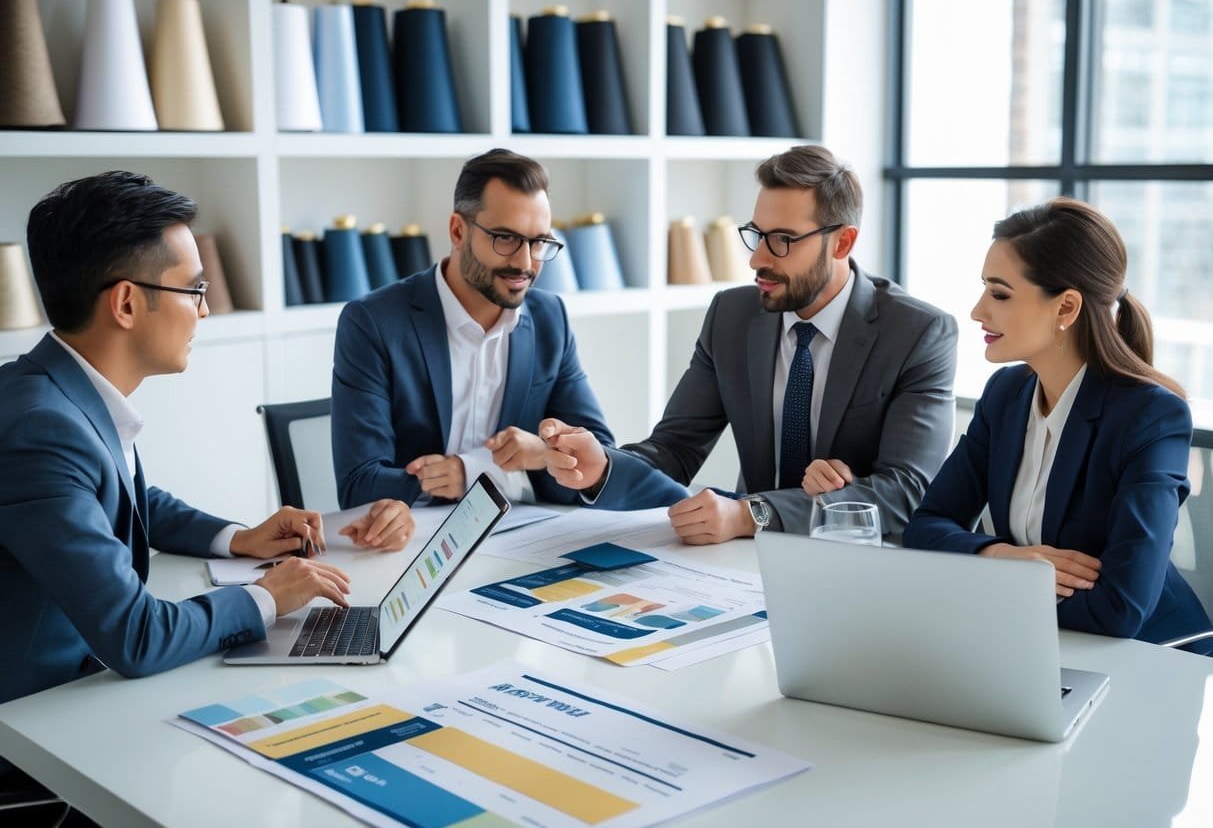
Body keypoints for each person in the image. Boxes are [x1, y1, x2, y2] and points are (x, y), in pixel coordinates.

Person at [0, 171, 415, 707]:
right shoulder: (43, 430)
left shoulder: (45, 389)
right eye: (194, 289)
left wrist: (238, 539)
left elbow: (123, 496)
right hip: (36, 726)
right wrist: (264, 597)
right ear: (125, 304)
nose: (205, 309)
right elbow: (137, 636)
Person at [543, 145, 958, 542]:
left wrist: (752, 514)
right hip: (748, 560)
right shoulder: (731, 316)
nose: (758, 258)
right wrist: (603, 466)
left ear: (843, 242)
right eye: (757, 235)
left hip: (863, 560)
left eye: (782, 240)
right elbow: (674, 450)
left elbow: (907, 491)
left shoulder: (918, 333)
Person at [903, 197, 1212, 654]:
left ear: (1066, 308)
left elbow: (1120, 608)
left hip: (1150, 658)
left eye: (1000, 294)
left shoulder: (1151, 417)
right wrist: (1000, 557)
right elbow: (926, 526)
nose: (977, 311)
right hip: (1038, 645)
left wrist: (989, 587)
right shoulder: (1005, 395)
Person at [331, 148, 687, 509]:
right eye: (505, 238)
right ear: (458, 230)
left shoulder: (550, 319)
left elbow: (594, 458)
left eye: (538, 242)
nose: (524, 262)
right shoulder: (373, 322)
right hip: (412, 547)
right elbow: (359, 486)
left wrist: (533, 455)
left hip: (519, 541)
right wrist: (490, 472)